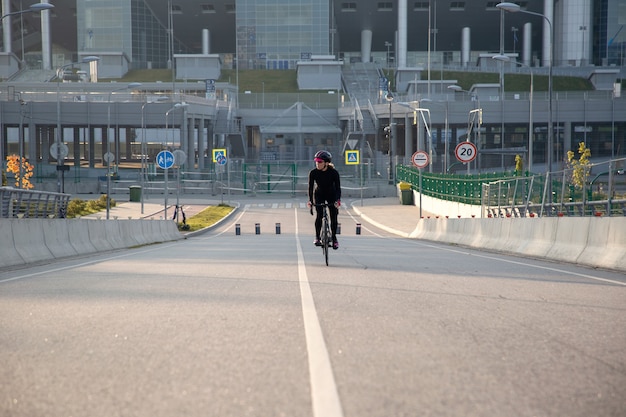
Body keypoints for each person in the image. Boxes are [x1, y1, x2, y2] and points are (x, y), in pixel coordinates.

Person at [307, 150, 341, 249]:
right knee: (319, 215)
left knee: (334, 216)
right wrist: (310, 201)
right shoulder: (313, 173)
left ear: (326, 163)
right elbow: (310, 187)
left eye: (320, 162)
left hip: (332, 194)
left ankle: (334, 238)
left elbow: (338, 188)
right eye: (316, 161)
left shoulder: (334, 173)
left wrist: (337, 200)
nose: (317, 163)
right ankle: (317, 237)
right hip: (319, 194)